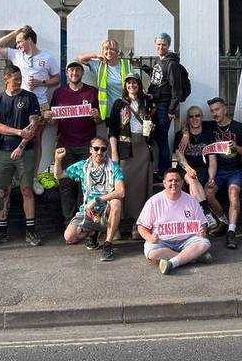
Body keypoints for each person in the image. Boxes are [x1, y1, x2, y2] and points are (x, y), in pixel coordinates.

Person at [0, 25, 60, 177]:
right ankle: (17, 175)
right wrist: (15, 32)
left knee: (35, 140)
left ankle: (33, 176)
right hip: (18, 102)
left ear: (29, 40)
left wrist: (41, 83)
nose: (17, 45)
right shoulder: (16, 54)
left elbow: (57, 78)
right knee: (18, 136)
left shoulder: (47, 58)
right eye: (17, 42)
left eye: (20, 41)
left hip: (40, 104)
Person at [0, 65, 41, 247]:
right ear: (6, 78)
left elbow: (33, 126)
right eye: (15, 78)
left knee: (26, 189)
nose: (19, 82)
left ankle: (31, 230)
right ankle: (2, 230)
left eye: (20, 78)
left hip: (25, 152)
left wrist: (21, 145)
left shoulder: (29, 97)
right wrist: (18, 133)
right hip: (3, 150)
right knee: (3, 191)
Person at [46, 60, 100, 223]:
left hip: (87, 145)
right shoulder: (58, 93)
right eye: (71, 71)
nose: (74, 73)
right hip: (65, 144)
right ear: (67, 74)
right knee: (66, 183)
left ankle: (83, 218)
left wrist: (97, 116)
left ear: (82, 73)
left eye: (77, 70)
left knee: (86, 185)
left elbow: (100, 120)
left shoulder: (92, 92)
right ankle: (69, 220)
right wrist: (48, 117)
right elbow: (53, 121)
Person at [56, 139, 124, 262]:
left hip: (105, 208)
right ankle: (92, 232)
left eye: (103, 149)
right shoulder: (82, 166)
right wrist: (58, 160)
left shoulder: (114, 167)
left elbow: (120, 192)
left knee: (116, 202)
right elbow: (59, 175)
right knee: (69, 237)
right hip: (88, 210)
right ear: (90, 150)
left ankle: (107, 245)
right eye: (96, 148)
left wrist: (97, 200)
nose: (99, 152)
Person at [137, 168, 212, 275]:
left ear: (182, 182)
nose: (173, 183)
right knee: (152, 253)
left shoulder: (191, 200)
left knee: (204, 243)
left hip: (186, 241)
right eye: (170, 180)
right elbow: (141, 226)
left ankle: (172, 263)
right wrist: (149, 237)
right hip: (162, 242)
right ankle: (192, 257)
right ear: (164, 183)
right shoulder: (154, 201)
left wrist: (202, 231)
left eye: (177, 180)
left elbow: (202, 223)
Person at [107, 75, 155, 229]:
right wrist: (114, 152)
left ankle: (138, 223)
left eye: (134, 82)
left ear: (139, 85)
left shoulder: (147, 102)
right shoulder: (119, 104)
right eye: (128, 83)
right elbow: (112, 129)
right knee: (122, 184)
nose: (131, 85)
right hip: (125, 148)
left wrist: (152, 128)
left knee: (142, 186)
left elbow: (154, 121)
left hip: (143, 146)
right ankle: (118, 222)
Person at [203, 96, 242, 249]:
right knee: (208, 193)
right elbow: (191, 124)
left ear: (225, 109)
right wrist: (185, 133)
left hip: (235, 170)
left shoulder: (238, 127)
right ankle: (223, 221)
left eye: (217, 110)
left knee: (234, 194)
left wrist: (236, 147)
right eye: (212, 111)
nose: (214, 113)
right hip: (217, 170)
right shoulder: (210, 127)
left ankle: (231, 231)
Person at [143, 33, 186, 174]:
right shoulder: (159, 61)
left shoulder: (172, 64)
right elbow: (160, 79)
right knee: (154, 136)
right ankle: (159, 169)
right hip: (155, 104)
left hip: (164, 105)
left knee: (162, 139)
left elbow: (177, 90)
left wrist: (171, 110)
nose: (161, 47)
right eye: (159, 44)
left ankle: (164, 171)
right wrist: (145, 68)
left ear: (168, 46)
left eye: (164, 44)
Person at [172, 105, 220, 230]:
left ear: (202, 117)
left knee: (194, 181)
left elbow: (212, 160)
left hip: (202, 169)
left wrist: (211, 177)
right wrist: (187, 168)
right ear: (187, 119)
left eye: (197, 115)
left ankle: (201, 218)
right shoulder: (180, 135)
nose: (194, 119)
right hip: (184, 168)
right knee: (192, 178)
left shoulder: (208, 135)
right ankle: (206, 213)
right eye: (191, 116)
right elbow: (179, 156)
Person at [75, 39, 132, 123]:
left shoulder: (126, 64)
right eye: (106, 49)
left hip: (125, 109)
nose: (109, 51)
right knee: (112, 135)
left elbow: (134, 84)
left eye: (112, 49)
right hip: (109, 111)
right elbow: (79, 59)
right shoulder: (99, 65)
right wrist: (95, 55)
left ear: (117, 52)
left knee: (125, 135)